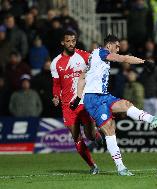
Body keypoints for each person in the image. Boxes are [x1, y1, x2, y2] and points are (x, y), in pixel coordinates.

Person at [76, 34, 157, 176]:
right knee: (110, 129)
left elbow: (82, 76)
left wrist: (78, 96)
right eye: (117, 45)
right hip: (93, 99)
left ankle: (152, 120)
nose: (118, 48)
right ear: (109, 45)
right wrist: (144, 62)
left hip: (102, 95)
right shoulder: (102, 52)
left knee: (126, 104)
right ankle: (120, 167)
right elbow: (124, 59)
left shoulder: (93, 56)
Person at [50, 30, 101, 174]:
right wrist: (55, 96)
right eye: (68, 41)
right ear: (62, 42)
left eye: (73, 41)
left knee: (90, 135)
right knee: (76, 137)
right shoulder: (56, 63)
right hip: (67, 106)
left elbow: (97, 68)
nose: (71, 44)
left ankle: (94, 134)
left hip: (84, 102)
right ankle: (93, 166)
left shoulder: (84, 56)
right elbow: (56, 84)